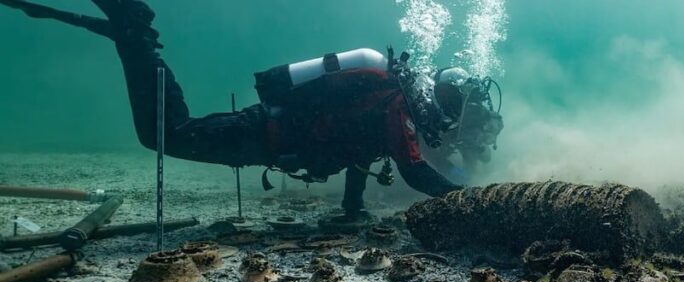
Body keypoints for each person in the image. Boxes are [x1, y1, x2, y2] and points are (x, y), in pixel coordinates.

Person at [1, 0, 480, 219]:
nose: (449, 113)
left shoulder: (384, 101)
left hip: (267, 136)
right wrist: (469, 201)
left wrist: (352, 208)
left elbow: (360, 152)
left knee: (168, 134)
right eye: (452, 103)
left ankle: (133, 36)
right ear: (437, 92)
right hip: (261, 134)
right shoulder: (395, 102)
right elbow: (413, 171)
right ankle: (136, 33)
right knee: (166, 133)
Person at [424, 67, 504, 183]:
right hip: (444, 139)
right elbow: (430, 154)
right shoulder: (433, 113)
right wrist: (454, 172)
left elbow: (483, 157)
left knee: (480, 154)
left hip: (457, 137)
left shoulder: (474, 115)